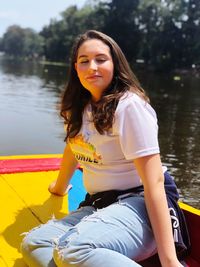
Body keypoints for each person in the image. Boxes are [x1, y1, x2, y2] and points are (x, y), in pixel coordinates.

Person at [21, 30, 189, 267]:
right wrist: (59, 188)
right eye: (84, 61)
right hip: (100, 205)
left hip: (141, 206)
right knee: (35, 242)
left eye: (101, 59)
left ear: (115, 64)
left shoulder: (129, 107)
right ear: (75, 67)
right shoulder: (77, 107)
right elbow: (74, 146)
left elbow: (155, 183)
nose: (92, 67)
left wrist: (170, 261)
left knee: (73, 251)